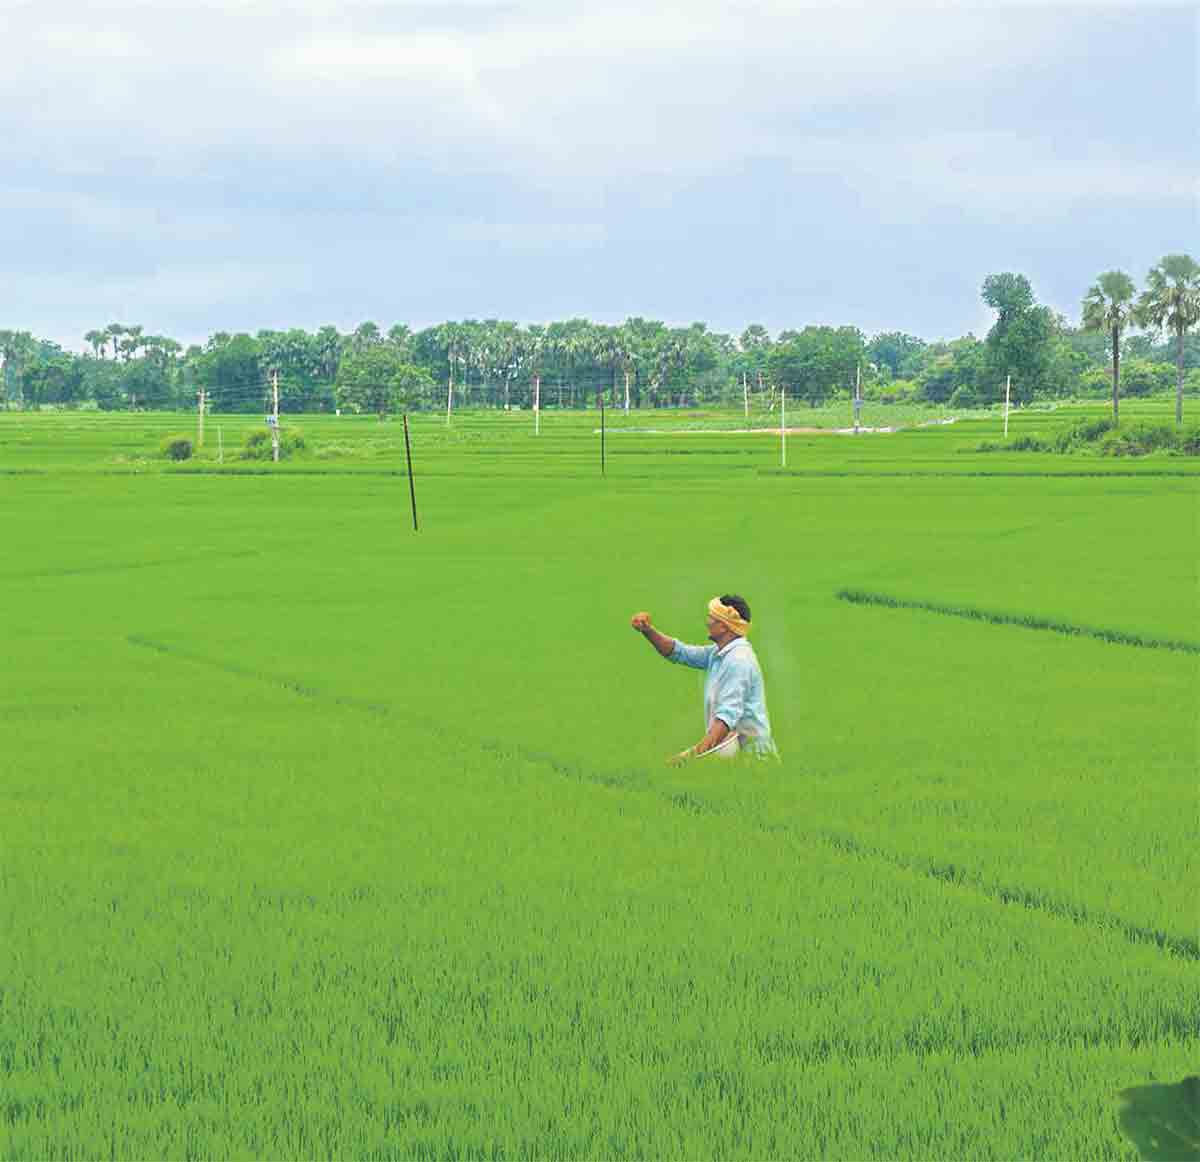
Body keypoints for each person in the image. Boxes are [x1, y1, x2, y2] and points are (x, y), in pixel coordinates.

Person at [630, 595, 778, 765]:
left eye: (711, 617)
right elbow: (679, 652)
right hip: (737, 758)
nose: (707, 622)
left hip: (754, 761)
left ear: (724, 626)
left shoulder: (738, 662)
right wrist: (648, 630)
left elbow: (726, 719)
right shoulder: (718, 654)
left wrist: (689, 758)